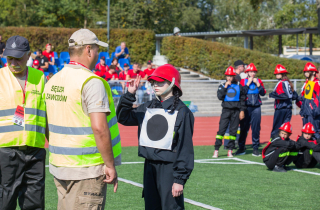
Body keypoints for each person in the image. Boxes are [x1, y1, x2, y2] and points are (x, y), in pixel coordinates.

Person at [44, 29, 120, 210]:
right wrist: (110, 165)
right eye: (96, 48)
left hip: (60, 164)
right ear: (88, 50)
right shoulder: (91, 81)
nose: (98, 53)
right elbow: (100, 128)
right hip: (86, 169)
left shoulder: (54, 80)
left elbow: (47, 124)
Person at [116, 64, 194, 209]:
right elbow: (123, 118)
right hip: (149, 167)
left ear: (172, 83)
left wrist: (179, 179)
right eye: (154, 82)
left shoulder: (183, 112)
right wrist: (129, 95)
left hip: (169, 170)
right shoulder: (148, 107)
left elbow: (185, 148)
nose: (155, 85)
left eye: (160, 82)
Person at [0, 35, 47, 210]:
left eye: (18, 58)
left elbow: (46, 114)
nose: (13, 62)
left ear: (28, 55)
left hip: (35, 152)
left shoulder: (40, 77)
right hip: (6, 152)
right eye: (9, 58)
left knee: (35, 204)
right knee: (5, 202)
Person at [213, 66, 246, 158]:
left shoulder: (239, 86)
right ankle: (216, 150)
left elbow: (242, 99)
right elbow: (220, 97)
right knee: (221, 130)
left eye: (231, 76)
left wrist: (242, 111)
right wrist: (225, 87)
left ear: (234, 76)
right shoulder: (222, 85)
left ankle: (230, 150)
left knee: (233, 132)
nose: (229, 78)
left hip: (236, 111)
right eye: (228, 76)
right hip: (226, 110)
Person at [236, 63, 266, 156]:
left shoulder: (259, 81)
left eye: (254, 72)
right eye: (251, 71)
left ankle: (255, 148)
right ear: (247, 72)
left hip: (256, 107)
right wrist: (248, 84)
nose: (253, 73)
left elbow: (263, 93)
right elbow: (242, 93)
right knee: (244, 128)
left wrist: (258, 84)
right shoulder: (243, 81)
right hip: (246, 107)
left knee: (256, 128)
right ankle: (241, 148)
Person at [269, 64, 298, 137]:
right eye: (276, 74)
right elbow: (295, 96)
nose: (276, 75)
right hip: (288, 109)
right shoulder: (288, 83)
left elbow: (284, 96)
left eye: (278, 74)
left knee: (276, 128)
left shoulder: (281, 83)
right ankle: (284, 146)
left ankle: (273, 145)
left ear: (282, 74)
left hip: (281, 109)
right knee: (285, 129)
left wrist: (273, 95)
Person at [296, 62, 320, 139]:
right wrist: (303, 112)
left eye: (307, 71)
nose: (305, 73)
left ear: (313, 72)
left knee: (315, 133)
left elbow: (317, 99)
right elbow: (306, 100)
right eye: (305, 72)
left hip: (313, 114)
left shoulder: (317, 83)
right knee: (306, 133)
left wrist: (315, 112)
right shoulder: (308, 83)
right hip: (307, 113)